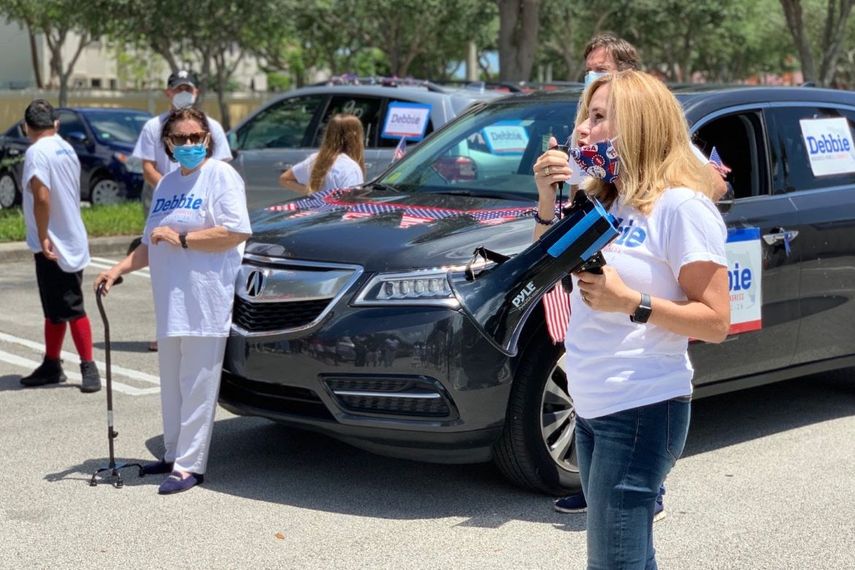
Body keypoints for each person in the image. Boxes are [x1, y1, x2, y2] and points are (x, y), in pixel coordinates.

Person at [533, 71, 730, 568]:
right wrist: (545, 196)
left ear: (638, 126)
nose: (583, 130)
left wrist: (631, 302)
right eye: (586, 116)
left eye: (598, 118)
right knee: (629, 556)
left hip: (642, 407)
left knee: (613, 560)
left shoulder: (682, 207)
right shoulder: (606, 198)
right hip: (593, 404)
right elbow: (546, 267)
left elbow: (715, 321)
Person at [95, 107, 251, 495]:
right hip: (170, 300)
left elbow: (235, 231)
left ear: (206, 139)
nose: (187, 144)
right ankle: (172, 454)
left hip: (205, 299)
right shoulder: (166, 184)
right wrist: (117, 270)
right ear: (167, 142)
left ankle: (190, 466)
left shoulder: (220, 176)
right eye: (179, 138)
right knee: (172, 384)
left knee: (198, 384)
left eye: (194, 137)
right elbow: (151, 243)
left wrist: (184, 239)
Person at [132, 69, 233, 352]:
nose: (183, 94)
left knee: (197, 266)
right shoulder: (154, 126)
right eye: (178, 89)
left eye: (187, 88)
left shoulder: (210, 126)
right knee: (164, 265)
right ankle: (165, 328)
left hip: (198, 207)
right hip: (166, 207)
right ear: (168, 93)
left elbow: (222, 165)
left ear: (197, 92)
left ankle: (200, 327)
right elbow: (148, 166)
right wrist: (171, 190)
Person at [19, 99, 101, 393]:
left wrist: (43, 235)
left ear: (27, 127)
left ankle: (88, 367)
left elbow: (42, 197)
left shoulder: (37, 152)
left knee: (71, 306)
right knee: (55, 308)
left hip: (55, 242)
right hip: (71, 236)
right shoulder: (65, 147)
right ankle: (51, 364)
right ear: (55, 124)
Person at [279, 114, 365, 194]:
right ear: (356, 137)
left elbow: (285, 178)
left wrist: (313, 193)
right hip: (338, 210)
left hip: (318, 210)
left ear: (328, 134)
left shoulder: (315, 159)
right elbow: (351, 201)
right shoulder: (351, 168)